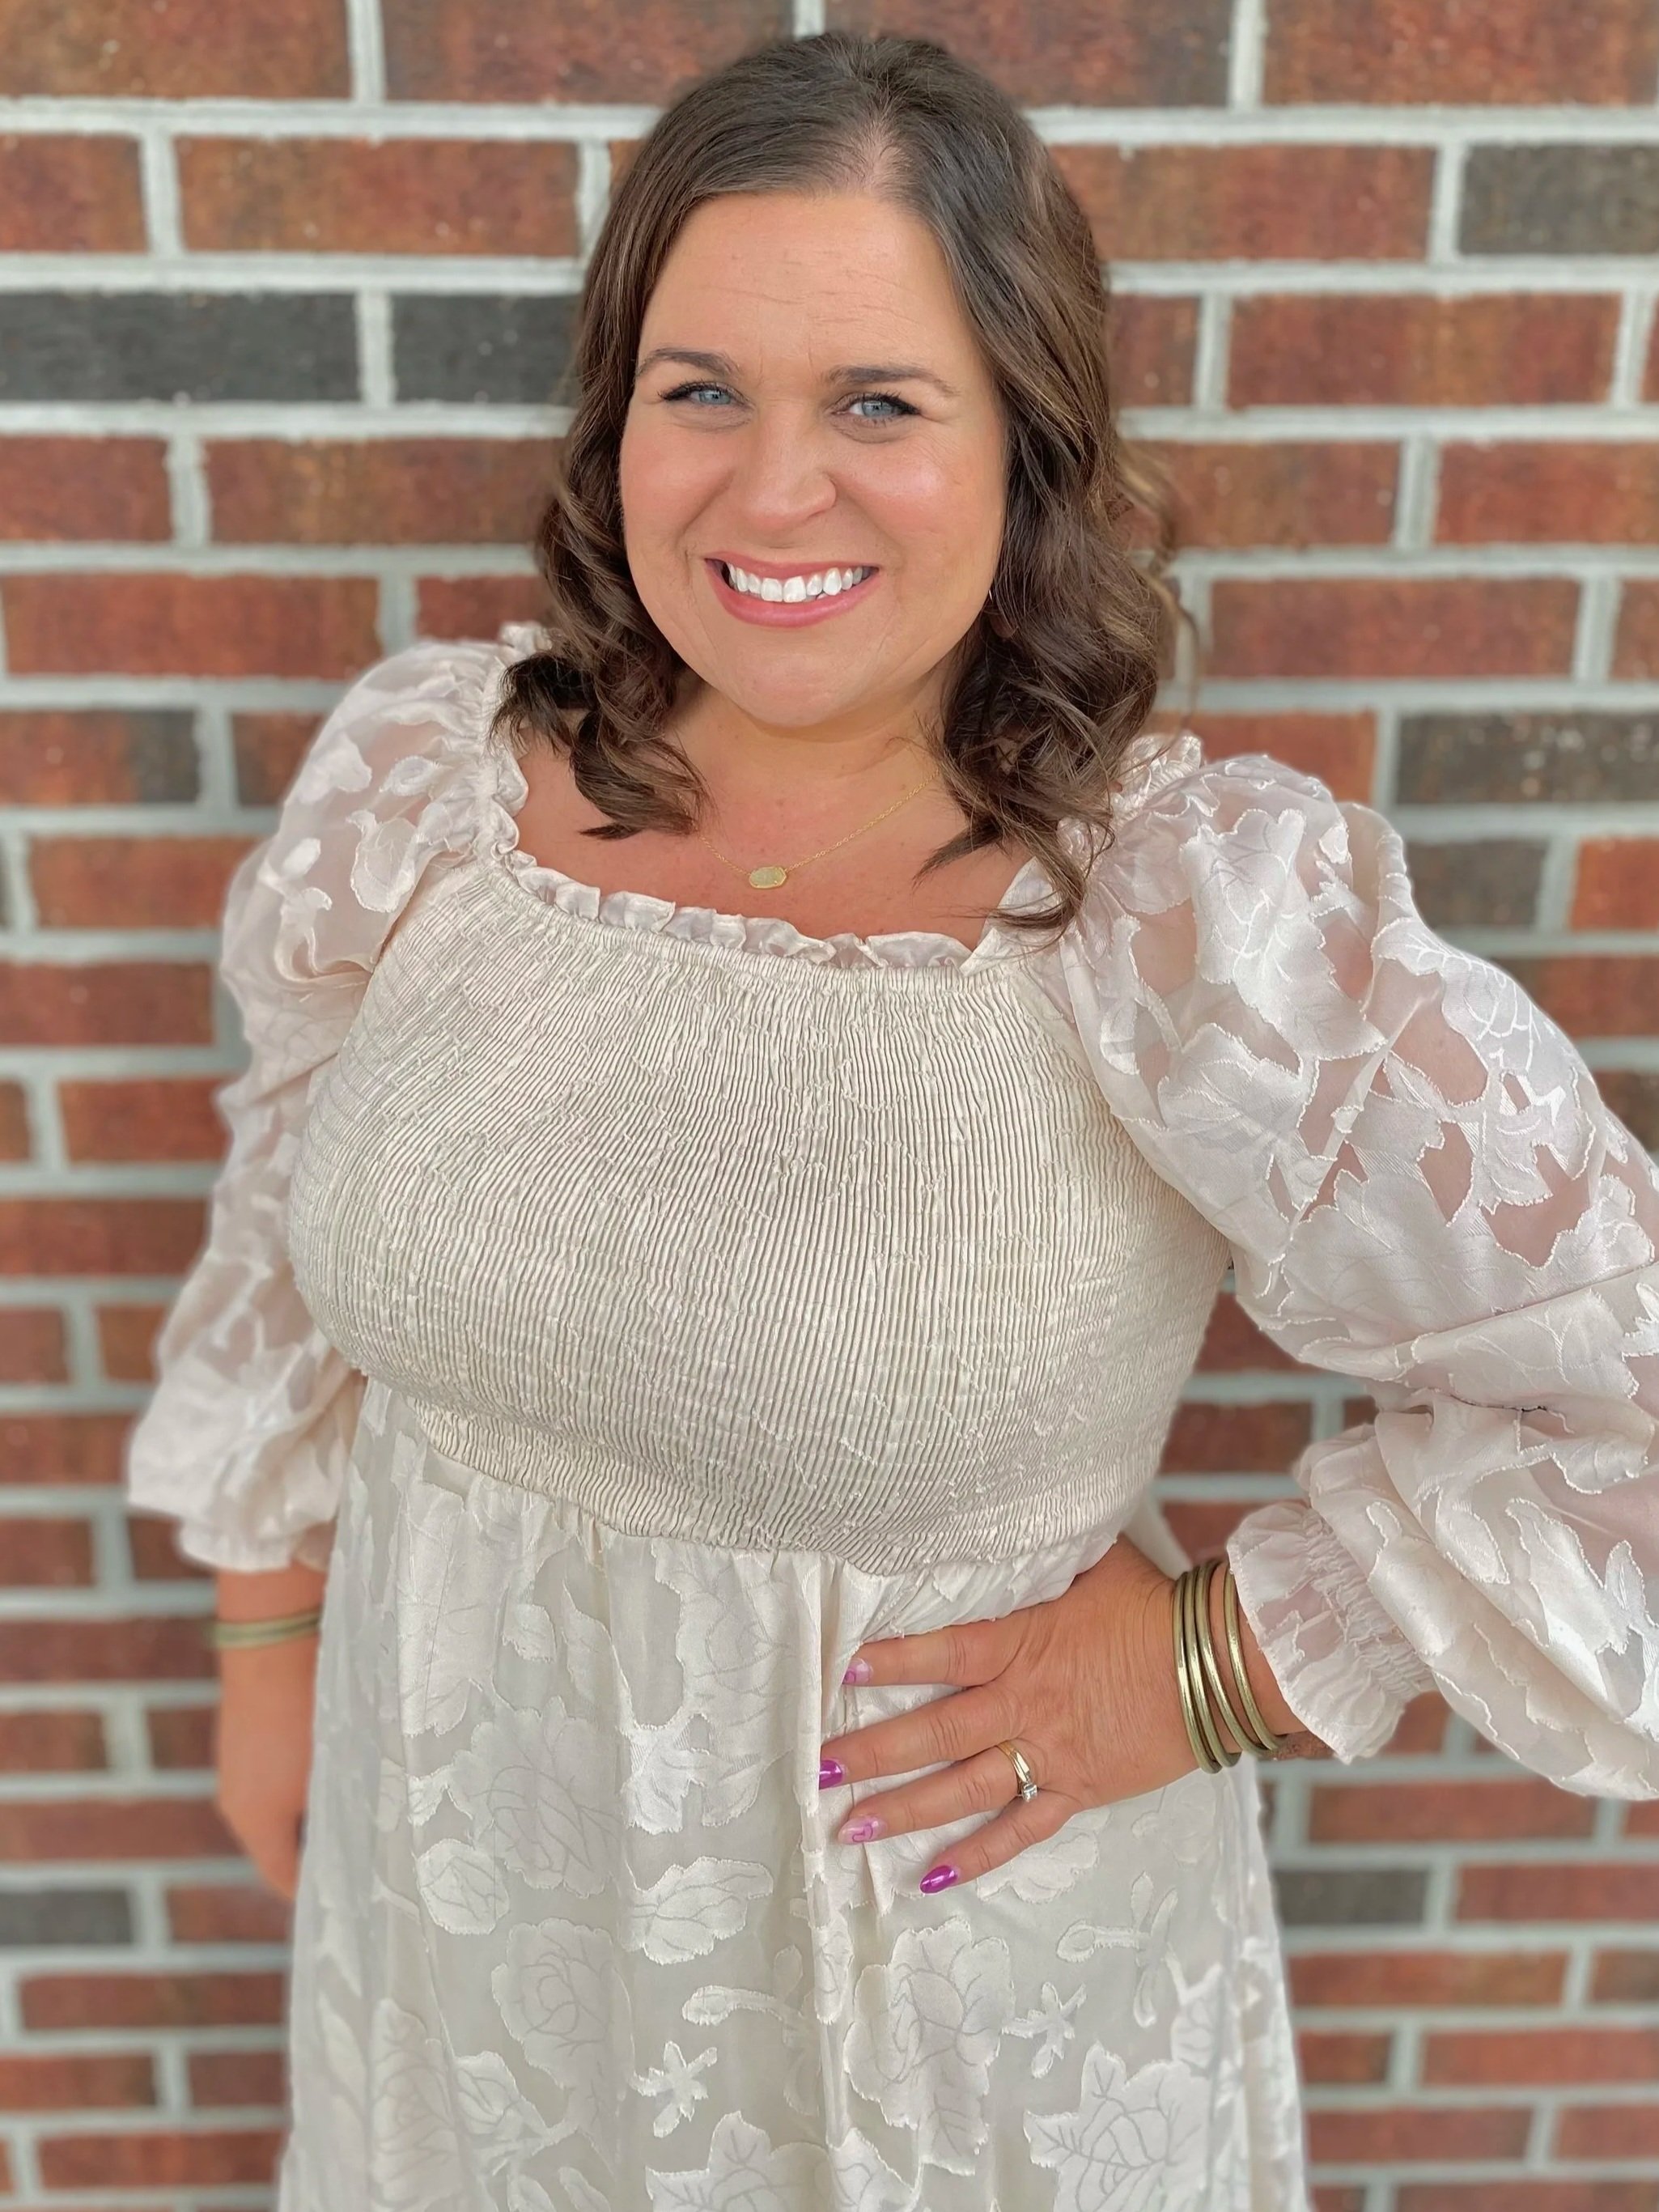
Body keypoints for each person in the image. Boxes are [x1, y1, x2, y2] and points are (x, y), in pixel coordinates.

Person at [123, 29, 1659, 2212]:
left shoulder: (1187, 922)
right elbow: (287, 1199)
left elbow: (1628, 1398)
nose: (771, 491)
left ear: (1026, 447)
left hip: (927, 2006)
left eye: (877, 402)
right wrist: (266, 1643)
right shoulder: (425, 791)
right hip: (466, 1900)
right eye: (702, 388)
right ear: (616, 413)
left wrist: (1225, 1664)